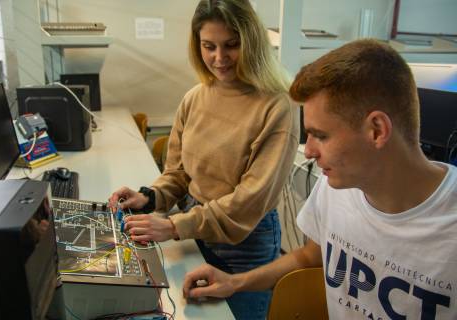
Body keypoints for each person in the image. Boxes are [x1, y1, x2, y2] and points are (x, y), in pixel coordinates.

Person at [183, 39, 457, 319]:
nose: (310, 151)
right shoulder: (336, 186)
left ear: (376, 130)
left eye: (321, 135)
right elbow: (310, 256)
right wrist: (234, 282)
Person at [109, 0, 299, 318]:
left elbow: (248, 202)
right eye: (208, 46)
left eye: (231, 46)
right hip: (194, 226)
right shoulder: (195, 97)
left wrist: (173, 226)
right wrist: (150, 196)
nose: (219, 58)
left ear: (252, 42)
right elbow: (179, 172)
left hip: (244, 242)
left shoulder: (277, 105)